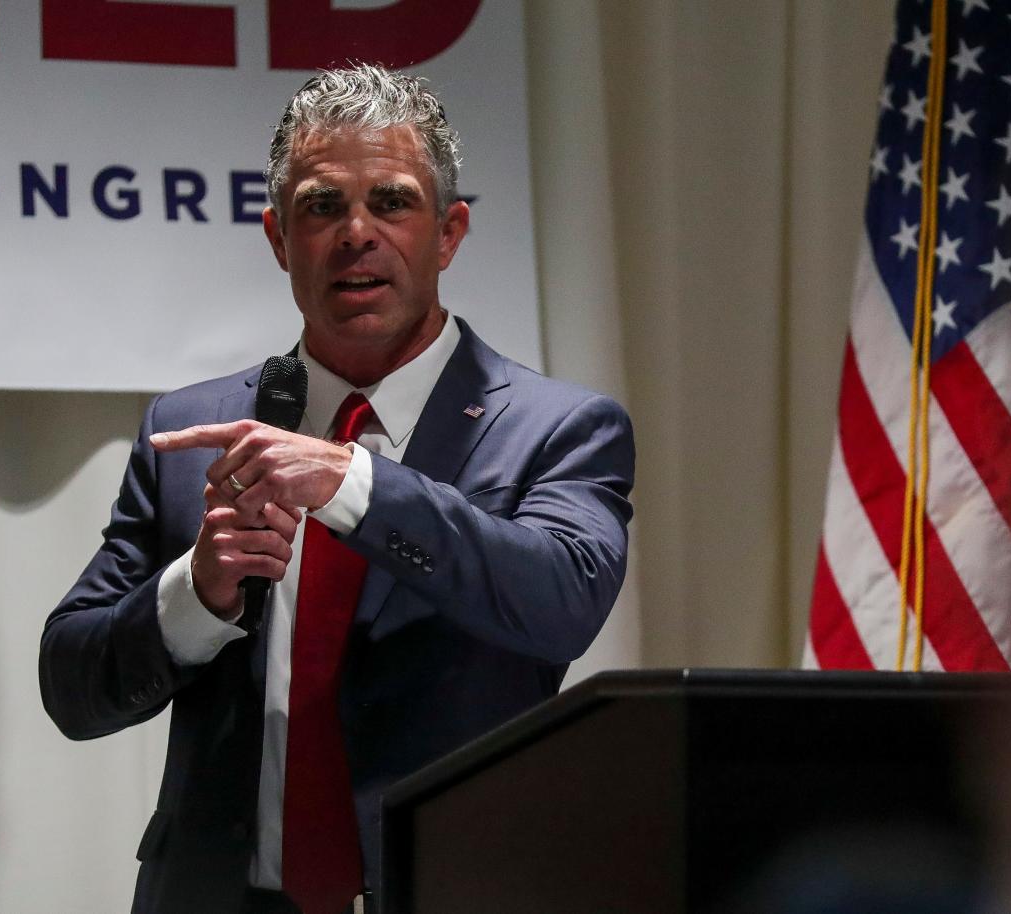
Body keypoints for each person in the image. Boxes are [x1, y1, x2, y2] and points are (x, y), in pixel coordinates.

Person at [38, 65, 634, 914]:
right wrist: (197, 595)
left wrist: (353, 481)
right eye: (321, 207)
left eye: (392, 202)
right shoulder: (192, 429)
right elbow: (73, 687)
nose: (357, 232)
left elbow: (560, 601)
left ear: (450, 233)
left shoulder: (559, 427)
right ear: (279, 238)